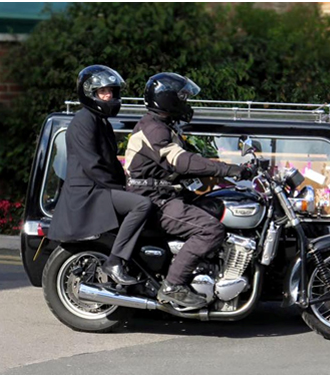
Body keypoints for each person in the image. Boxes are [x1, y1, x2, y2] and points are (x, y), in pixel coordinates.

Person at [124, 72, 251, 307]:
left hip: (165, 193)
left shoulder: (161, 125)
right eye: (182, 97)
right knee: (210, 230)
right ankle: (173, 285)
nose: (186, 103)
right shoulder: (155, 130)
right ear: (167, 99)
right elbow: (182, 161)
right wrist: (228, 169)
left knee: (212, 207)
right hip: (153, 200)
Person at [48, 65, 152, 285]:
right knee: (141, 205)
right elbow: (92, 165)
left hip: (98, 188)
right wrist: (119, 189)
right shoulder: (84, 121)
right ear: (90, 94)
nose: (109, 96)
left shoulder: (100, 121)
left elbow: (110, 161)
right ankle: (115, 261)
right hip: (89, 193)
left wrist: (129, 183)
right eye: (103, 92)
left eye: (111, 92)